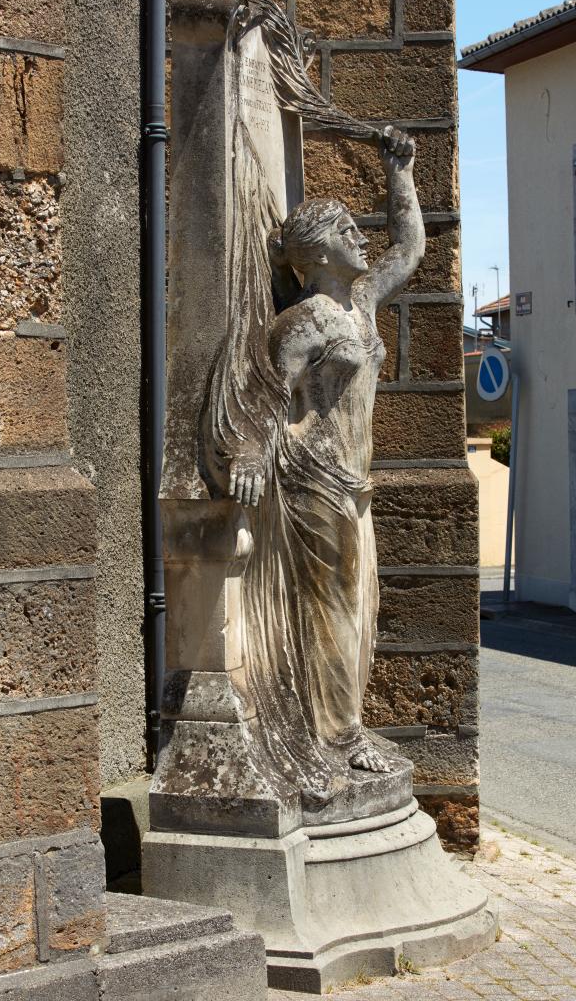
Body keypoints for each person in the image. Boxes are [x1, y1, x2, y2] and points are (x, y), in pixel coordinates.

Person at [215, 125, 425, 795]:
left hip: (352, 479)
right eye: (346, 230)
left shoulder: (358, 304)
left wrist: (401, 174)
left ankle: (341, 722)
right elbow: (267, 395)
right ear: (318, 251)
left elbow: (410, 249)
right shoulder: (302, 321)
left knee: (357, 606)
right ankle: (335, 734)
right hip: (312, 478)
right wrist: (248, 450)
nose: (361, 237)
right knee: (332, 607)